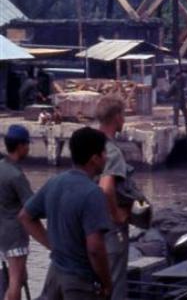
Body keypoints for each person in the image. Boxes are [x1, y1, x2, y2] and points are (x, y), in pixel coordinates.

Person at [19, 127, 112, 299]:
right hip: (79, 281)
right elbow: (95, 248)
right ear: (94, 158)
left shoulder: (54, 182)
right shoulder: (93, 193)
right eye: (104, 152)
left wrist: (53, 245)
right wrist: (106, 282)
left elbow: (25, 216)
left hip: (55, 274)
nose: (106, 157)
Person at [96, 96, 142, 300]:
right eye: (123, 115)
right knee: (115, 281)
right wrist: (117, 215)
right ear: (116, 117)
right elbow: (106, 189)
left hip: (90, 225)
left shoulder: (90, 145)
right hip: (110, 229)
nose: (124, 120)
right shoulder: (112, 152)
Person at [0, 125, 33, 300]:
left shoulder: (1, 167)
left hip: (2, 231)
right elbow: (32, 205)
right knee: (16, 281)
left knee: (18, 278)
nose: (29, 148)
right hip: (15, 235)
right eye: (27, 144)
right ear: (20, 146)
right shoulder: (15, 175)